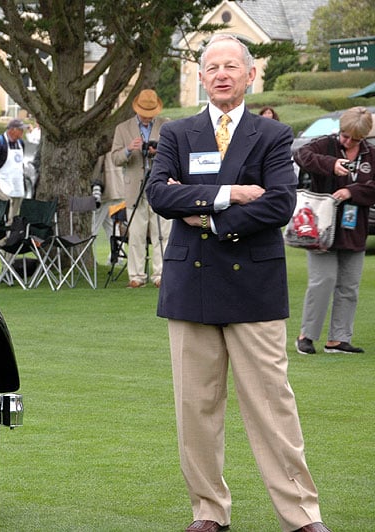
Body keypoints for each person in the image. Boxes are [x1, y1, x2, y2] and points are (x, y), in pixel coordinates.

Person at [145, 34, 331, 532]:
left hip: (254, 287)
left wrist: (205, 214)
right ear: (201, 77)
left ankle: (301, 516)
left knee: (273, 407)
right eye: (212, 67)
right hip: (192, 286)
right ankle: (208, 513)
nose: (222, 74)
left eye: (232, 66)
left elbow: (278, 204)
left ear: (251, 75)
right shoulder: (177, 133)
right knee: (196, 410)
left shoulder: (273, 135)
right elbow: (159, 194)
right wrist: (230, 193)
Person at [293, 106, 375, 355]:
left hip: (354, 227)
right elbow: (301, 155)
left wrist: (352, 191)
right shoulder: (324, 145)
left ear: (364, 137)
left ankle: (338, 339)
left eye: (354, 138)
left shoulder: (371, 154)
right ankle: (306, 336)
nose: (347, 140)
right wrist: (330, 164)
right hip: (320, 226)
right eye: (344, 134)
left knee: (349, 286)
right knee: (322, 281)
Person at [110, 88, 171, 288]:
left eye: (150, 113)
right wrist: (129, 149)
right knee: (135, 233)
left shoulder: (166, 125)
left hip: (160, 186)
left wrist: (158, 150)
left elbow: (175, 154)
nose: (147, 117)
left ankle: (161, 274)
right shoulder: (123, 128)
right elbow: (115, 158)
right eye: (144, 113)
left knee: (162, 232)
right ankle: (136, 276)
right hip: (134, 188)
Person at [0, 118, 29, 220]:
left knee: (16, 208)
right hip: (3, 180)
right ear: (12, 130)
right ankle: (2, 229)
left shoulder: (21, 143)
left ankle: (12, 229)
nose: (22, 132)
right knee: (6, 205)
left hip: (17, 180)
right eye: (20, 130)